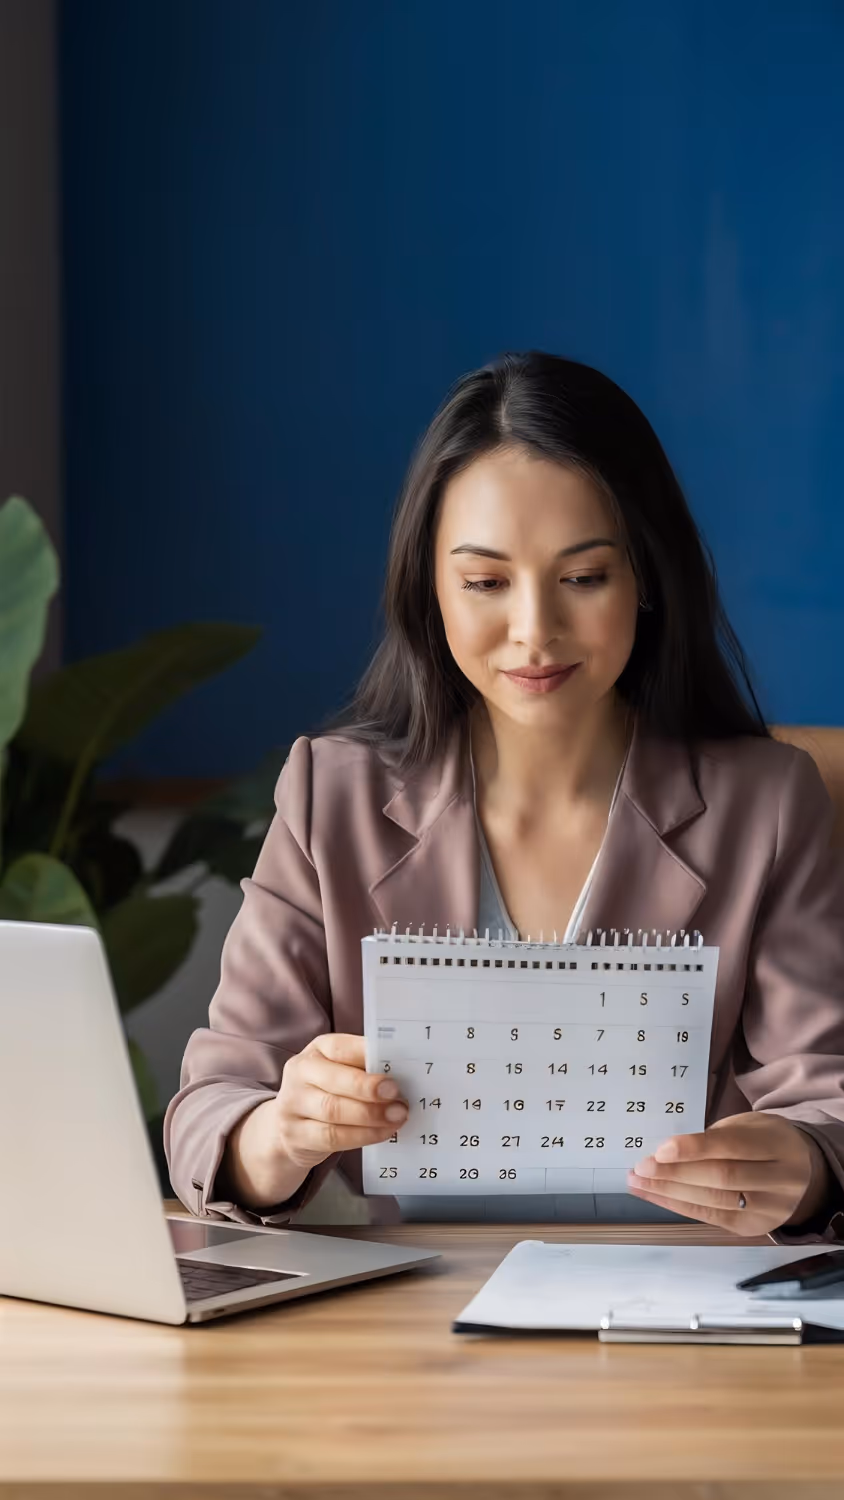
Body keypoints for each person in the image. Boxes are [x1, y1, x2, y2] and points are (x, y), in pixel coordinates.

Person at [164, 351, 844, 1242]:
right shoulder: (332, 797)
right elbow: (210, 1111)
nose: (534, 631)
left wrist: (805, 1162)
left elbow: (828, 1095)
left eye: (585, 577)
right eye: (485, 582)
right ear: (430, 588)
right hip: (404, 1318)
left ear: (647, 581)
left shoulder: (769, 803)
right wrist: (280, 1133)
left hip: (674, 1304)